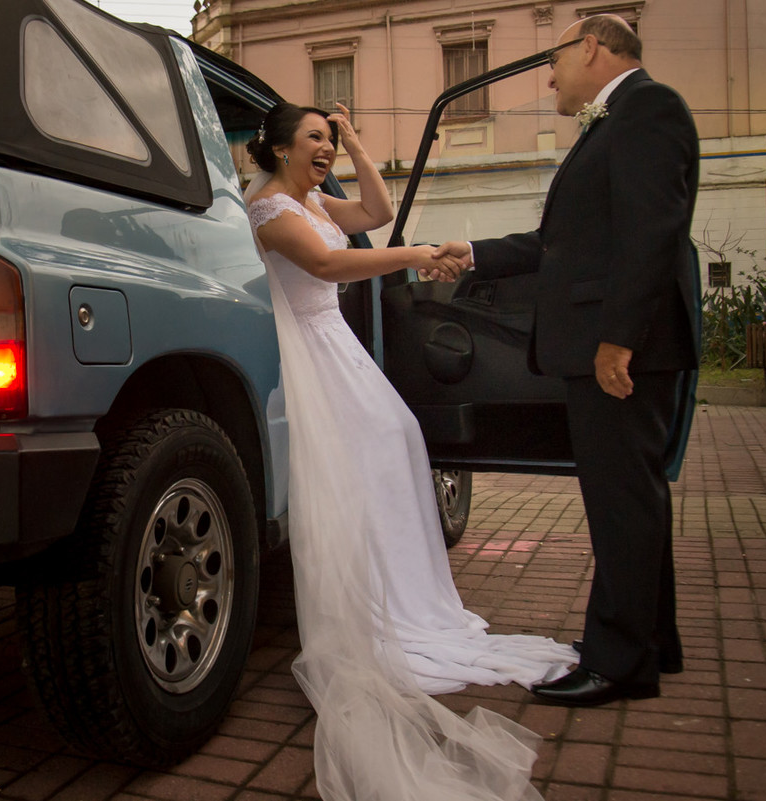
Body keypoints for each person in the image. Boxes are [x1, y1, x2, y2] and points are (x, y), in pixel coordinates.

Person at [244, 101, 576, 800]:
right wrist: (423, 254)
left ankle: (405, 597)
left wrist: (360, 143)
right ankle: (371, 605)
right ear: (277, 148)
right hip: (311, 352)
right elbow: (332, 265)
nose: (326, 148)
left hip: (338, 349)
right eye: (315, 138)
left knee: (397, 440)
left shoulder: (314, 198)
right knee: (374, 452)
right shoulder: (272, 211)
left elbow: (376, 209)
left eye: (330, 138)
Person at [434, 14, 699, 707]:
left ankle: (619, 664)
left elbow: (652, 233)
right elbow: (560, 243)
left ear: (590, 46)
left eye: (555, 60)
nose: (550, 76)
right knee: (633, 500)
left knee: (621, 502)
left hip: (622, 351)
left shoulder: (650, 109)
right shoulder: (620, 122)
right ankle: (649, 641)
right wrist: (477, 254)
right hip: (615, 345)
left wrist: (618, 340)